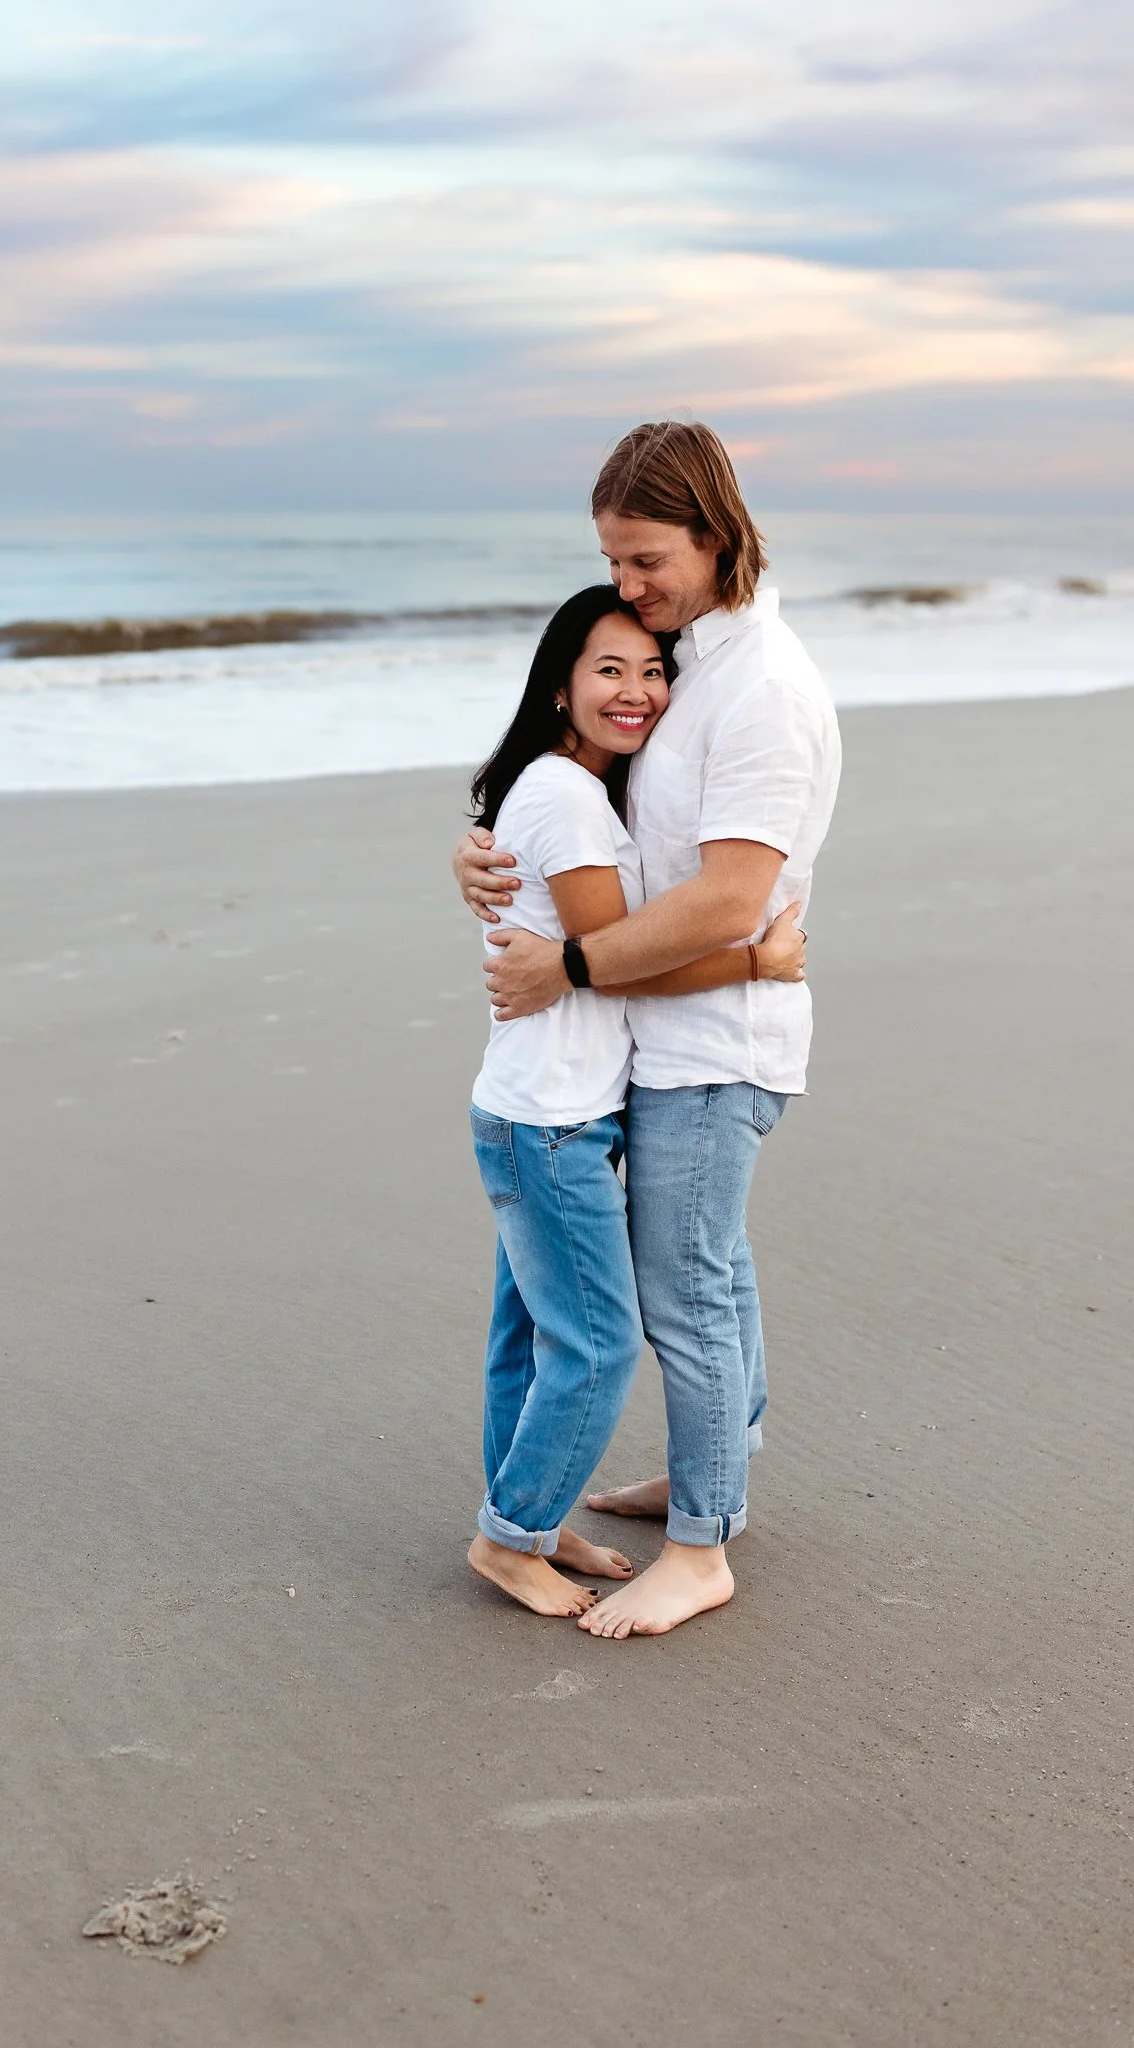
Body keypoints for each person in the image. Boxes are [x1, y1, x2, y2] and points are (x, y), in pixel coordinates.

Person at [456, 422, 841, 1638]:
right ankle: (704, 1466)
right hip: (660, 1040)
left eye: (643, 559)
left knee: (683, 1296)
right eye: (612, 563)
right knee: (707, 1273)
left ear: (713, 534)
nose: (627, 589)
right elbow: (585, 802)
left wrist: (564, 963)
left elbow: (728, 893)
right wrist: (489, 856)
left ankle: (702, 1542)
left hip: (715, 1038)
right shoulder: (689, 666)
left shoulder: (762, 686)